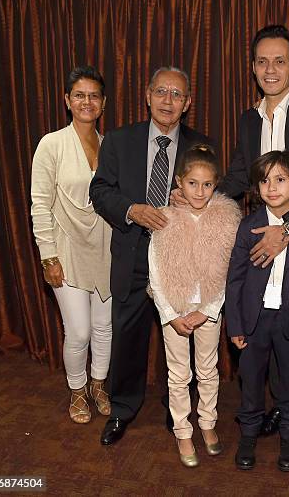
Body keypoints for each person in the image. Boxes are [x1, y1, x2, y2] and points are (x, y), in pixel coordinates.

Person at [173, 24, 289, 474]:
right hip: (261, 246)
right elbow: (238, 177)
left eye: (279, 60)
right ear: (252, 68)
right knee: (269, 334)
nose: (270, 69)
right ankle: (283, 414)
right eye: (261, 61)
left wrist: (288, 229)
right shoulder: (248, 119)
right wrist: (201, 196)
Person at [89, 66, 212, 446]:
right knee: (128, 336)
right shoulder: (119, 141)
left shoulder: (200, 146)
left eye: (177, 95)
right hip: (133, 254)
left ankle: (177, 407)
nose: (168, 101)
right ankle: (123, 409)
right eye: (161, 92)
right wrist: (132, 210)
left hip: (181, 261)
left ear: (187, 103)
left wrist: (193, 204)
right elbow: (101, 190)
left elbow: (216, 198)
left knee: (181, 340)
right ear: (147, 95)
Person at [226, 150, 289, 472]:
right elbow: (235, 278)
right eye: (265, 180)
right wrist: (236, 325)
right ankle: (248, 434)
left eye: (280, 179)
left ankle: (288, 436)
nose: (272, 187)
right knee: (252, 380)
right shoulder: (248, 226)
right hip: (254, 322)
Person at [148, 144, 241, 467]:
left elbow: (230, 272)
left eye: (207, 184)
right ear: (179, 182)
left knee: (207, 369)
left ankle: (207, 423)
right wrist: (171, 314)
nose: (199, 191)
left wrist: (209, 310)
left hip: (209, 310)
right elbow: (156, 272)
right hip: (174, 309)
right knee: (178, 374)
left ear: (216, 185)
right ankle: (182, 430)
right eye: (192, 183)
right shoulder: (165, 219)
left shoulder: (227, 220)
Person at [31, 65, 112, 424]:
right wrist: (48, 256)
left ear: (103, 102)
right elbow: (40, 203)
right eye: (79, 95)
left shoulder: (110, 146)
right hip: (65, 249)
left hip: (107, 248)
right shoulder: (52, 144)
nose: (86, 101)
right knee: (78, 331)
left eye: (94, 95)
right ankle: (77, 389)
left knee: (103, 328)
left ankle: (98, 385)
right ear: (67, 100)